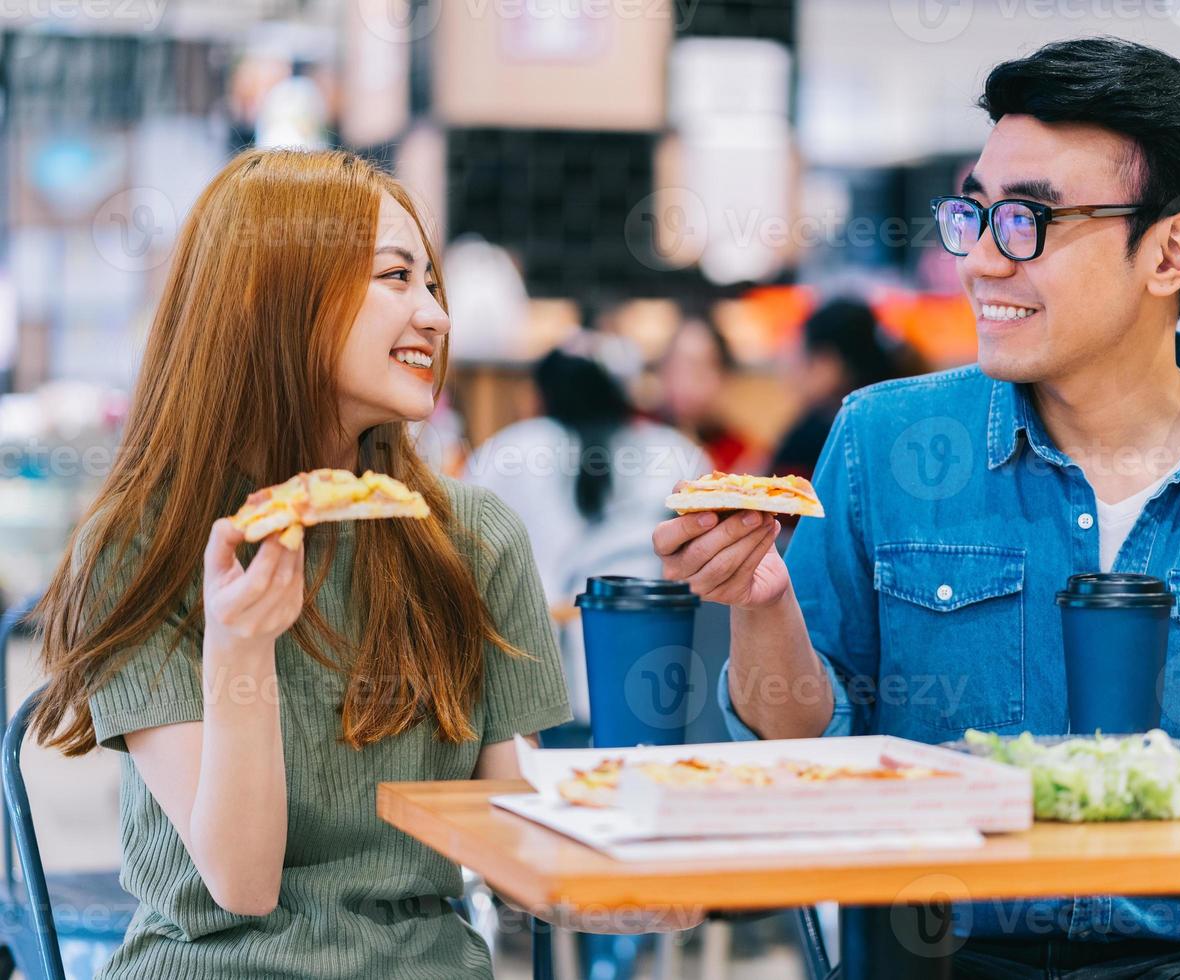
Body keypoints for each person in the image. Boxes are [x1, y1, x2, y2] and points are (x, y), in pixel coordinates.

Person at [654, 38, 1180, 980]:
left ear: (1171, 249)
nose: (983, 261)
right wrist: (760, 601)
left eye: (1029, 220)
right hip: (934, 957)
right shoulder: (881, 443)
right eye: (976, 215)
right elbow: (801, 749)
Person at [27, 148, 601, 980]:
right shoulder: (143, 545)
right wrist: (239, 646)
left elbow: (513, 844)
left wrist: (645, 851)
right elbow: (243, 885)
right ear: (275, 299)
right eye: (396, 277)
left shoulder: (475, 537)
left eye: (431, 284)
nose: (436, 316)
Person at [465, 342, 707, 722]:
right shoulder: (673, 450)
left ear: (539, 393)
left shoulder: (510, 449)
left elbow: (464, 546)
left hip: (532, 666)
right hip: (657, 655)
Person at [768, 298, 898, 481]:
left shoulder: (816, 433)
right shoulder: (893, 416)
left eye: (800, 356)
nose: (790, 371)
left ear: (827, 363)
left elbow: (771, 495)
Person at [657, 313, 760, 474]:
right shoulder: (634, 434)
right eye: (676, 366)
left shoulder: (740, 455)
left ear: (723, 376)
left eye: (697, 368)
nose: (685, 380)